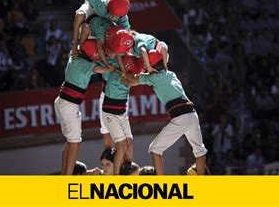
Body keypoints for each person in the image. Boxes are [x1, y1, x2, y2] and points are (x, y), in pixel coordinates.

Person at [123, 51, 207, 175]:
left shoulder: (153, 77)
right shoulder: (171, 74)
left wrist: (122, 71)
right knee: (200, 151)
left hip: (180, 117)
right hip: (192, 114)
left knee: (155, 149)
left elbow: (131, 80)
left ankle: (161, 184)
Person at [54, 40, 114, 175]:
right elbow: (97, 69)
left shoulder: (73, 56)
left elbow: (79, 41)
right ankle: (67, 178)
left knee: (70, 142)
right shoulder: (84, 64)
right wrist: (111, 68)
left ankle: (65, 174)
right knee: (75, 142)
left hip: (61, 101)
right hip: (69, 105)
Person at [56, 0, 131, 58]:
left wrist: (124, 50)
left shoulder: (123, 17)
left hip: (101, 21)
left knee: (115, 37)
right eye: (112, 14)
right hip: (93, 8)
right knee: (79, 16)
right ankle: (75, 45)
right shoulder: (101, 4)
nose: (113, 18)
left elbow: (126, 34)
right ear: (108, 8)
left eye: (116, 17)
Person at [100, 55, 142, 174]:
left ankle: (127, 173)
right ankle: (116, 176)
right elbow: (134, 80)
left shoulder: (123, 73)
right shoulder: (119, 76)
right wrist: (150, 77)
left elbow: (120, 57)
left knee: (129, 143)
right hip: (110, 114)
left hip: (121, 114)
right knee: (122, 145)